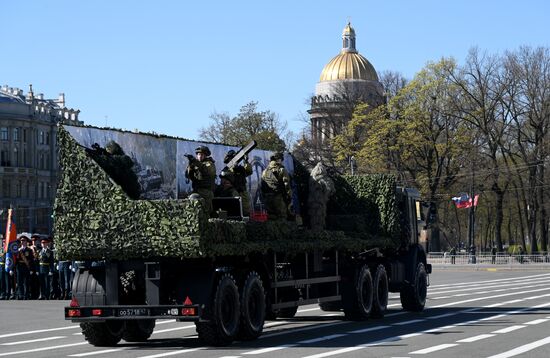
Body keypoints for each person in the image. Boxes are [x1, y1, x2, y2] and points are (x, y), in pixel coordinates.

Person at [261, 152, 293, 220]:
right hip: (278, 197)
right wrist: (289, 196)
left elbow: (262, 185)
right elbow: (287, 184)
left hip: (268, 198)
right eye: (281, 159)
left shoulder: (265, 171)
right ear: (278, 160)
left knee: (271, 218)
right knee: (282, 217)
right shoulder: (281, 170)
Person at [185, 146, 217, 215]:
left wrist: (195, 161)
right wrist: (190, 166)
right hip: (196, 191)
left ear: (205, 155)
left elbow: (206, 170)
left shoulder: (210, 164)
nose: (200, 156)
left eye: (202, 155)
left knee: (206, 213)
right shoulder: (196, 164)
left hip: (206, 193)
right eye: (198, 154)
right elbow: (189, 176)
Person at [223, 150, 253, 216]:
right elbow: (227, 179)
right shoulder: (226, 170)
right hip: (233, 193)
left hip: (243, 192)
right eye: (232, 158)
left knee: (246, 212)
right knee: (236, 211)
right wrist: (233, 168)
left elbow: (249, 171)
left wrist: (246, 161)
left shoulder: (240, 169)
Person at [15, 235, 34, 300]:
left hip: (26, 267)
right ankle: (21, 295)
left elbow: (31, 260)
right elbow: (16, 260)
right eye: (21, 241)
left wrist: (31, 269)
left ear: (26, 242)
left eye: (24, 241)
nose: (22, 242)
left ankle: (26, 295)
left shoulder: (29, 250)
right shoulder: (18, 250)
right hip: (19, 267)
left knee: (26, 282)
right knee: (19, 281)